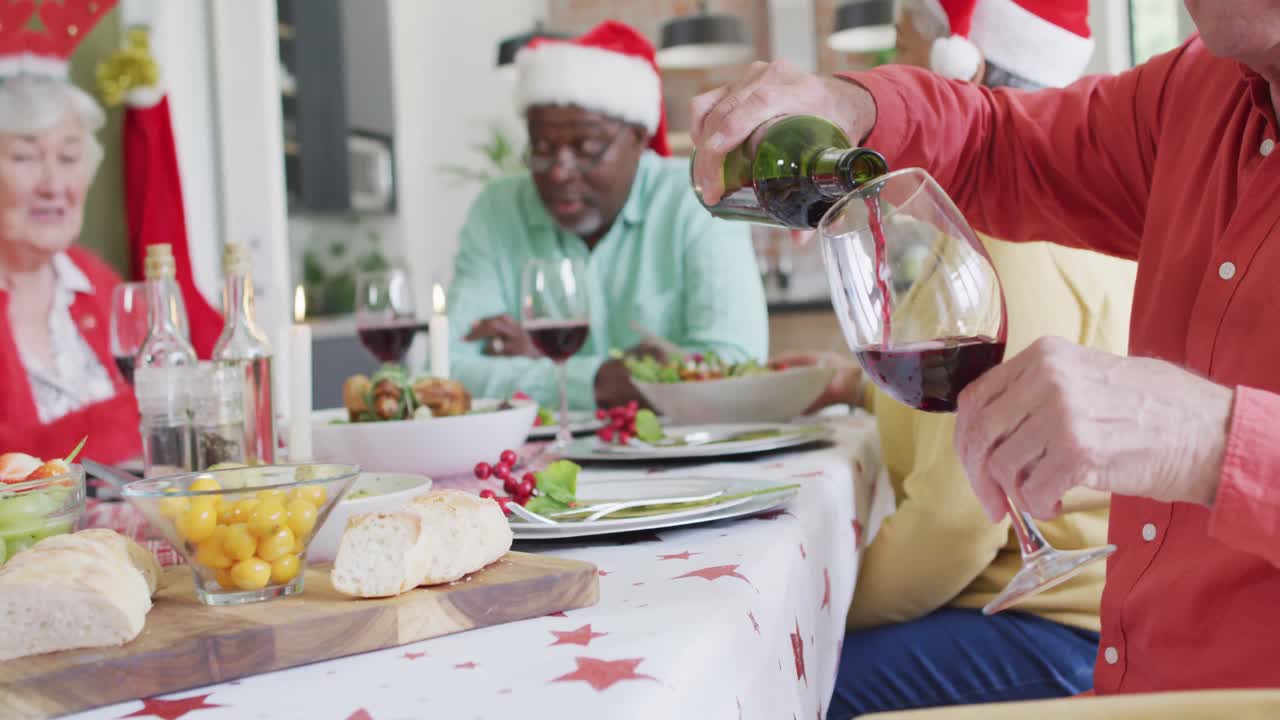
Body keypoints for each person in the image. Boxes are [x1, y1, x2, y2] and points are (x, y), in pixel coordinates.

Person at [692, 0, 1280, 704]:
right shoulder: (1200, 93)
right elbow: (998, 143)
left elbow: (953, 529)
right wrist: (849, 102)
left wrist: (1208, 441)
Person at [772, 1, 1137, 715]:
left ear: (955, 70)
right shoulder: (1058, 217)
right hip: (1065, 607)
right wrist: (851, 384)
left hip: (1059, 625)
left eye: (899, 54)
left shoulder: (1009, 243)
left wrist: (815, 616)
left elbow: (957, 522)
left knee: (795, 689)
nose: (883, 79)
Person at [447, 20, 768, 411]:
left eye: (586, 147)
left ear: (637, 138)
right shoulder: (496, 210)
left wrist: (546, 366)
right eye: (542, 147)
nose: (559, 170)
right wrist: (604, 379)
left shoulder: (698, 199)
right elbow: (454, 370)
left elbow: (735, 363)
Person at [0, 15, 141, 465]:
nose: (53, 184)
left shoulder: (98, 284)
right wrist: (123, 423)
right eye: (24, 156)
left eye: (68, 157)